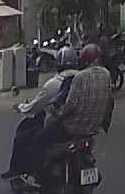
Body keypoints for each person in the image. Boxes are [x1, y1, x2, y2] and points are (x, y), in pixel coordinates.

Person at [29, 43, 113, 175]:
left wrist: (57, 113)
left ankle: (39, 172)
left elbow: (70, 105)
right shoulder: (106, 74)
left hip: (73, 128)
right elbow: (109, 101)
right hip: (93, 128)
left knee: (39, 138)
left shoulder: (80, 77)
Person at [1, 46, 81, 179]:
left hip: (61, 125)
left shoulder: (54, 83)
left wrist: (21, 107)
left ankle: (37, 172)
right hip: (84, 125)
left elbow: (35, 106)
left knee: (30, 137)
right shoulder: (83, 78)